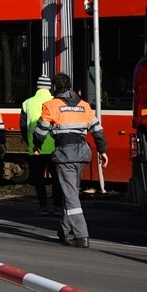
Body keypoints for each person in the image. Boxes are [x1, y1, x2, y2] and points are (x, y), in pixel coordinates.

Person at [33, 73, 109, 248]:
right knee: (71, 193)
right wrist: (103, 151)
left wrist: (37, 147)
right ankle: (65, 231)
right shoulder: (84, 105)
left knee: (71, 196)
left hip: (65, 155)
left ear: (55, 88)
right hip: (83, 154)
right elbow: (97, 130)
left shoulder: (50, 106)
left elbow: (41, 132)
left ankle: (82, 235)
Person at [22, 74, 61, 215]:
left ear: (37, 87)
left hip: (35, 148)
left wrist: (29, 142)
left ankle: (43, 206)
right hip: (55, 147)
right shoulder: (56, 102)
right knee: (57, 178)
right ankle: (58, 207)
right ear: (49, 87)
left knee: (38, 179)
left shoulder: (27, 103)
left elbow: (23, 127)